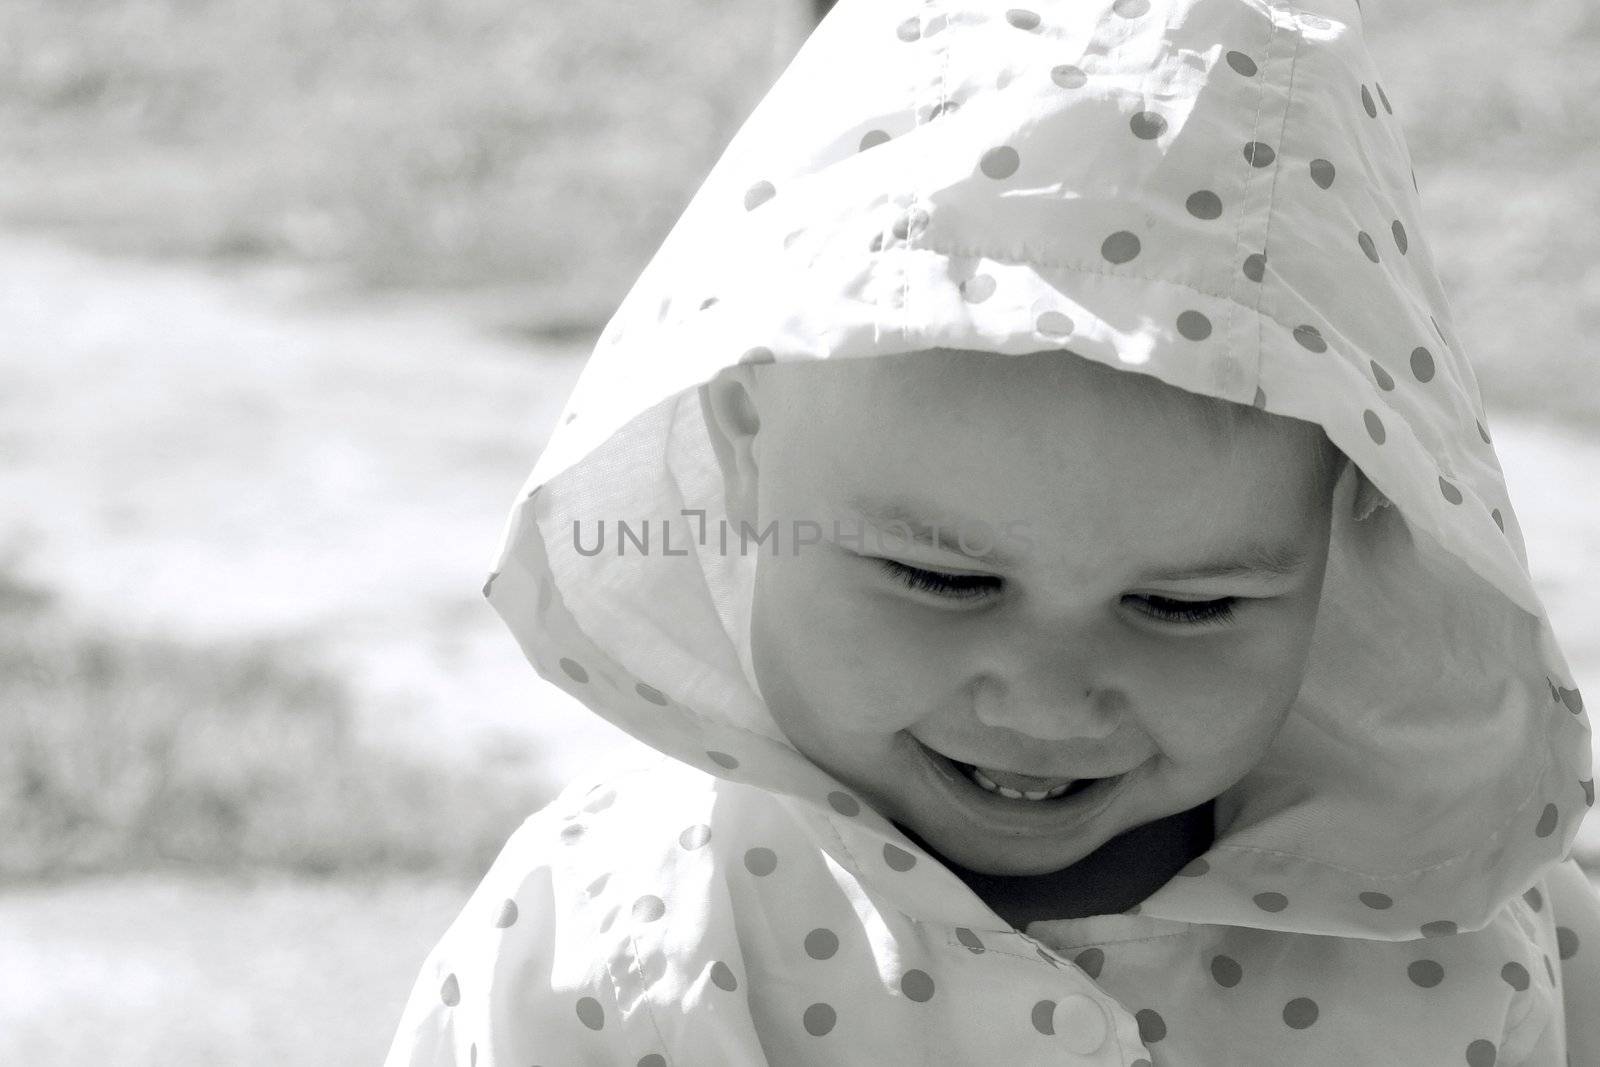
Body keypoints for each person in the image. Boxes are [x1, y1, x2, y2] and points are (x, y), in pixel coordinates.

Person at [384, 0, 1600, 1062]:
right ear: (747, 439)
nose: (1048, 701)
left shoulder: (1470, 941)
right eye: (938, 576)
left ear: (1351, 514)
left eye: (1183, 606)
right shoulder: (615, 943)